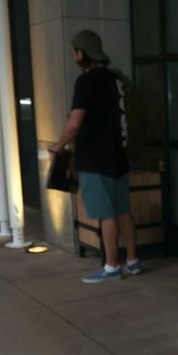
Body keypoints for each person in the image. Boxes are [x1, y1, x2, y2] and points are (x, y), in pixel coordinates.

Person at [48, 30, 141, 283]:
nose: (74, 56)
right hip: (118, 157)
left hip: (95, 160)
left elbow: (75, 122)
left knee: (106, 214)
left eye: (74, 52)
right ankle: (132, 261)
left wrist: (58, 145)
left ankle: (111, 266)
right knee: (123, 211)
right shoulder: (115, 79)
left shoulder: (85, 82)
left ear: (81, 53)